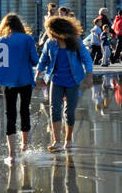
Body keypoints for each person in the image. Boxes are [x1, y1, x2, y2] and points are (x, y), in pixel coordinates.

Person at [0, 13, 41, 163]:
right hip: (25, 80)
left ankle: (11, 154)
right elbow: (35, 60)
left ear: (4, 26)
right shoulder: (28, 39)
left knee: (10, 114)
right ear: (20, 25)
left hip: (7, 82)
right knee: (25, 111)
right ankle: (25, 146)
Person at [36, 15, 94, 152]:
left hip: (73, 80)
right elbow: (43, 60)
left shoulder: (75, 42)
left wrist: (89, 76)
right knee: (54, 109)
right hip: (55, 80)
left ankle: (68, 140)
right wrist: (37, 76)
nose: (50, 34)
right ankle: (56, 141)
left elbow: (87, 59)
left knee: (69, 111)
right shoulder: (50, 43)